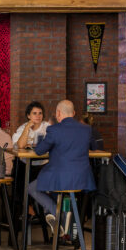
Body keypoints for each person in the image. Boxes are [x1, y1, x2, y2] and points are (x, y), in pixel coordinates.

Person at [29, 100, 97, 234]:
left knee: (31, 188)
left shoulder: (54, 129)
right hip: (82, 179)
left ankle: (60, 216)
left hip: (59, 178)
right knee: (54, 191)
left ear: (58, 113)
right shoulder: (87, 129)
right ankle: (67, 227)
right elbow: (93, 148)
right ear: (74, 113)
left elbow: (39, 151)